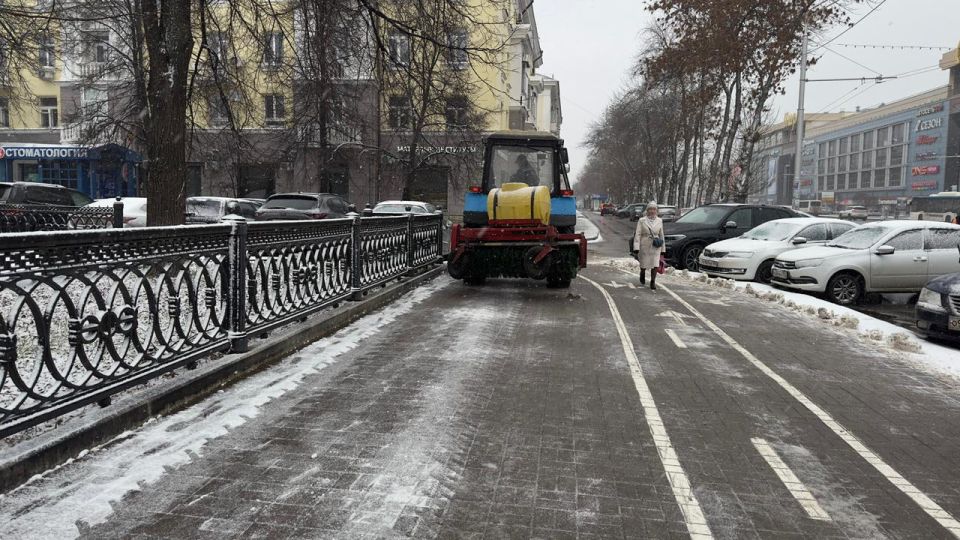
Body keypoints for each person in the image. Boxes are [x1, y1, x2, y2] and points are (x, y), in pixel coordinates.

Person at [634, 201, 665, 290]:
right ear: (647, 210)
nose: (652, 211)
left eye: (654, 209)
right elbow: (638, 234)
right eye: (650, 209)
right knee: (644, 264)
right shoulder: (642, 220)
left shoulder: (660, 221)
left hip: (656, 245)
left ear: (656, 211)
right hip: (645, 245)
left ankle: (652, 281)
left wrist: (663, 249)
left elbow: (661, 235)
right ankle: (642, 273)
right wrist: (636, 247)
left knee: (655, 264)